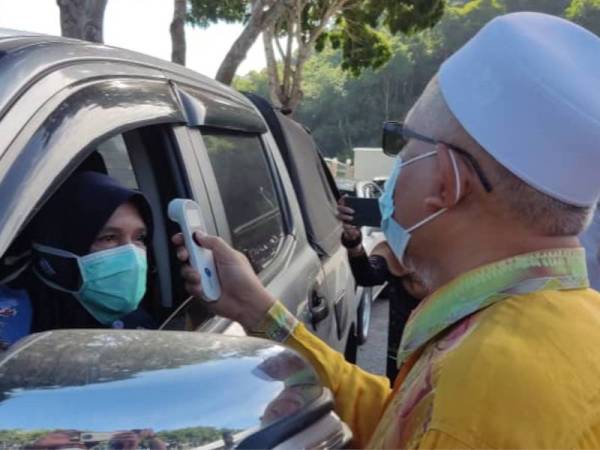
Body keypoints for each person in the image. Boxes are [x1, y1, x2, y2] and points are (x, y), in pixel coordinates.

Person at [175, 12, 600, 448]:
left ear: (444, 181)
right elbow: (398, 418)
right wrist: (257, 308)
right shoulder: (572, 322)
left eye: (404, 144)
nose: (396, 167)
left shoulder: (477, 399)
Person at [25, 171, 156, 332]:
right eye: (109, 238)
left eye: (139, 237)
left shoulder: (140, 325)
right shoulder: (13, 325)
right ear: (62, 247)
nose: (132, 256)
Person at [337, 196, 427, 380]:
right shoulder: (393, 251)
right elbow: (367, 276)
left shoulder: (457, 257)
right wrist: (353, 242)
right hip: (401, 358)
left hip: (446, 355)